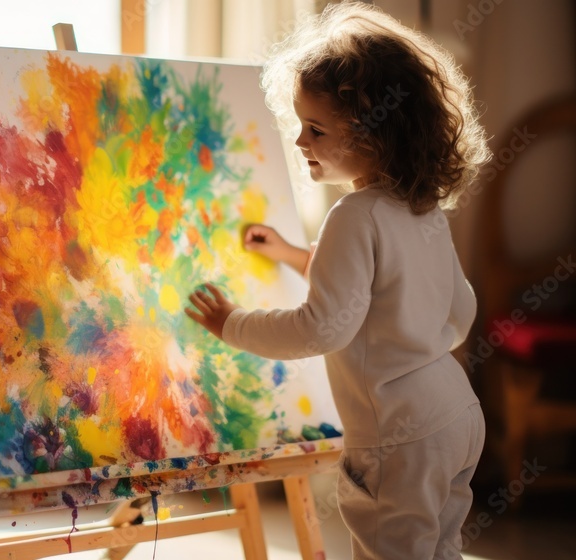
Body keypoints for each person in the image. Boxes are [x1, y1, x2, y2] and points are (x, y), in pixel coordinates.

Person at [184, 3, 492, 559]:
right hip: (456, 415)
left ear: (378, 132)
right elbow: (455, 312)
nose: (300, 141)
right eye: (301, 125)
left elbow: (321, 327)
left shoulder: (353, 215)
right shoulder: (421, 210)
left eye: (317, 129)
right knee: (439, 547)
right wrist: (296, 257)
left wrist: (232, 323)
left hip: (399, 433)